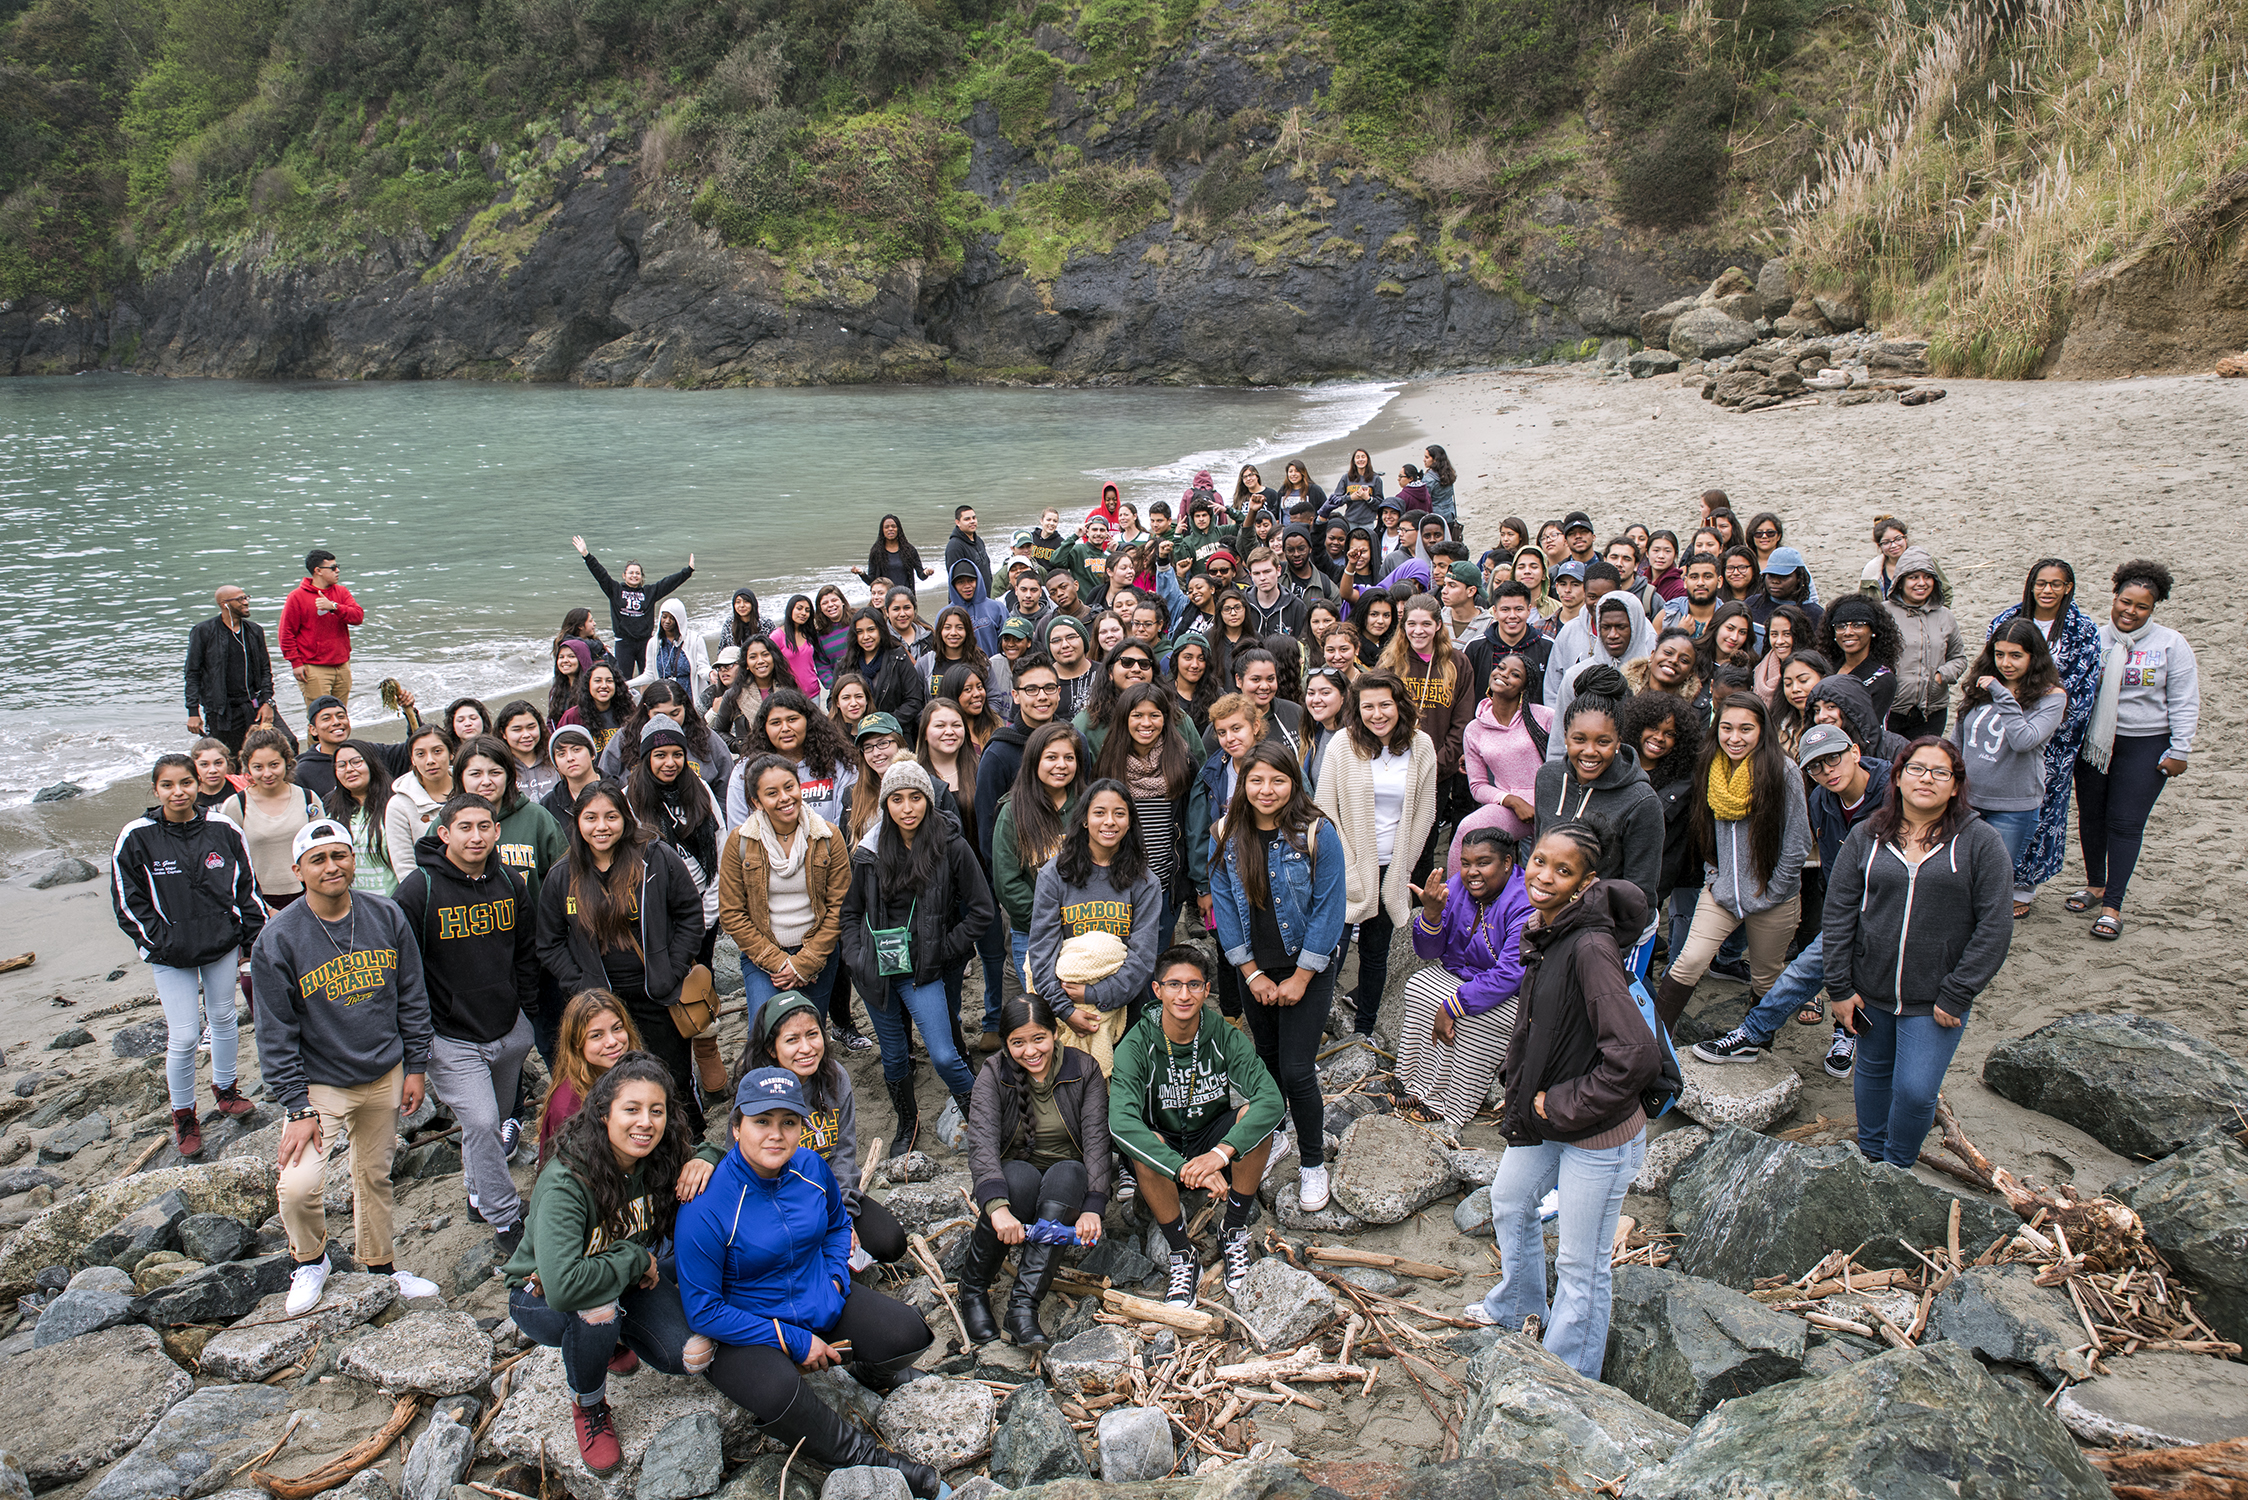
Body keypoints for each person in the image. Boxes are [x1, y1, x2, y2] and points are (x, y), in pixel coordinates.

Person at [675, 1070, 942, 1499]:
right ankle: (869, 1457)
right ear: (737, 1126)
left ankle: (863, 1371)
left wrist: (836, 1278)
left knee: (908, 1333)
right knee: (778, 1390)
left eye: (788, 1122)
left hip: (818, 1300)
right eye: (762, 1121)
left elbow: (838, 1225)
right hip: (747, 1327)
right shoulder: (706, 1204)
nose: (776, 1135)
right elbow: (703, 1309)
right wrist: (793, 1342)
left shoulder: (810, 1166)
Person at [1462, 823, 1655, 1378]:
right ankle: (1517, 1307)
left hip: (1599, 1132)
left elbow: (1634, 1056)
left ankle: (1569, 1376)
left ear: (1585, 882)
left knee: (1581, 1260)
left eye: (1562, 871)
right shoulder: (1542, 926)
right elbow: (1540, 1023)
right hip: (1547, 1112)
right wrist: (1520, 1087)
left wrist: (1560, 1103)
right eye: (1540, 861)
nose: (1544, 876)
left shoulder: (1591, 946)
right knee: (1509, 1200)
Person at [251, 819, 444, 1313]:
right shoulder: (278, 939)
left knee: (374, 1176)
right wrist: (296, 1107)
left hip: (386, 1073)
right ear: (298, 871)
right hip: (321, 1085)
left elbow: (412, 997)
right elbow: (275, 1033)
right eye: (318, 860)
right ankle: (310, 1261)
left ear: (354, 860)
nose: (332, 867)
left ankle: (380, 1267)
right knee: (298, 1186)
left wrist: (416, 1066)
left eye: (340, 855)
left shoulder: (386, 916)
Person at [504, 1054, 717, 1473]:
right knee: (596, 1310)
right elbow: (563, 1285)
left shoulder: (655, 1155)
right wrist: (636, 1257)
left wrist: (704, 1158)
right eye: (631, 1110)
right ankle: (589, 1405)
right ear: (604, 1114)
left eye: (657, 1111)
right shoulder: (569, 1179)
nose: (646, 1122)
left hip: (621, 1282)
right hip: (542, 1296)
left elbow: (715, 1148)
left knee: (693, 1355)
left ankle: (614, 1338)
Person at [1826, 738, 2013, 1166]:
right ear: (1897, 776)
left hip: (1937, 1000)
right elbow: (1837, 914)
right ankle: (1871, 1159)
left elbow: (1996, 925)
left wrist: (1959, 990)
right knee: (1872, 1075)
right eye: (1916, 768)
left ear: (1955, 786)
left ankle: (1898, 1166)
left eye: (1939, 772)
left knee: (1914, 1089)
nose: (1926, 778)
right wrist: (1838, 986)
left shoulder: (1980, 842)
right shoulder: (1866, 836)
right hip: (1869, 988)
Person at [394, 793, 539, 1250]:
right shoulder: (420, 889)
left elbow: (525, 952)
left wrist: (526, 1014)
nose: (475, 836)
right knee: (479, 1122)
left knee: (492, 1124)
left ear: (497, 832)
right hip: (449, 1034)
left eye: (484, 827)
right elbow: (402, 967)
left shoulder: (511, 882)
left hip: (507, 1029)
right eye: (465, 827)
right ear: (444, 834)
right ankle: (504, 1219)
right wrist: (416, 1043)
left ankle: (477, 1193)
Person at [1109, 945, 1286, 1303]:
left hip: (1208, 1134)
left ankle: (1233, 1228)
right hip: (1163, 1145)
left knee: (1257, 1120)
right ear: (1157, 990)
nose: (1184, 994)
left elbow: (1271, 1100)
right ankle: (1182, 1253)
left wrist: (1219, 1156)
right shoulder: (1136, 1043)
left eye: (1194, 985)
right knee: (1147, 1142)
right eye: (1174, 985)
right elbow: (1121, 1122)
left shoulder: (1223, 1035)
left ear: (1207, 990)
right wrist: (1189, 1169)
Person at [1213, 743, 1349, 1209]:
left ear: (1294, 781)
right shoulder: (1227, 833)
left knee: (1296, 1070)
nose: (1266, 790)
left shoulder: (1316, 832)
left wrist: (1302, 977)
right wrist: (1251, 975)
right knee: (1265, 1065)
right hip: (1256, 969)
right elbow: (1226, 908)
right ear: (1242, 785)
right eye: (1255, 780)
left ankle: (1313, 1163)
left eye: (1277, 780)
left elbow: (1331, 908)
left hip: (1306, 966)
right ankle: (1274, 1141)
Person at [113, 755, 265, 1157]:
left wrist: (253, 937)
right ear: (155, 789)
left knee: (224, 1017)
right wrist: (160, 942)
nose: (178, 792)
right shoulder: (136, 836)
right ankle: (184, 1116)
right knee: (182, 1036)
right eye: (168, 785)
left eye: (186, 783)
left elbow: (246, 888)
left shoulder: (223, 828)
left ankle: (227, 1089)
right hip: (169, 953)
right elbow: (129, 902)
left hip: (220, 943)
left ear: (199, 784)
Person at [840, 759, 993, 1154]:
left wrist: (942, 950)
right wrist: (856, 957)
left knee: (943, 1054)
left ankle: (982, 1119)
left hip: (923, 971)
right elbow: (850, 912)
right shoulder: (870, 850)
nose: (907, 807)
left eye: (915, 797)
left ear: (928, 798)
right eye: (896, 799)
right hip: (877, 968)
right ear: (885, 803)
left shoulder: (950, 844)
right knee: (893, 1058)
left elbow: (982, 910)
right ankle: (907, 1124)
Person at [537, 783, 709, 1131]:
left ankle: (688, 1148)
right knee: (616, 1087)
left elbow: (691, 915)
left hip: (658, 995)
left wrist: (672, 968)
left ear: (625, 818)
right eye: (591, 818)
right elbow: (549, 942)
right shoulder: (562, 876)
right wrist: (581, 985)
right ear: (577, 823)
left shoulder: (655, 857)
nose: (601, 827)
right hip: (602, 1003)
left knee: (672, 1082)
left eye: (611, 817)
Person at [1650, 692, 1808, 1030]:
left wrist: (1773, 891)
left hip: (1772, 897)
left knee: (1765, 978)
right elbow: (1705, 830)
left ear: (1762, 730)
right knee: (1688, 961)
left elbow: (1798, 844)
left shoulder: (1784, 771)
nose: (1734, 738)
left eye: (1745, 729)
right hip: (1721, 891)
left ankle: (1757, 1042)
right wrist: (1714, 874)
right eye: (1727, 728)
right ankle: (1654, 1043)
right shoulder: (1712, 767)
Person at [2072, 559, 2198, 940]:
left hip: (2145, 744)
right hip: (2095, 743)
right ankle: (2095, 885)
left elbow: (2184, 700)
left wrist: (2180, 749)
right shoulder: (2094, 637)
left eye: (2142, 606)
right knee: (2091, 816)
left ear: (2153, 608)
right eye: (2125, 602)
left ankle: (2113, 905)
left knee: (2125, 823)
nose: (2130, 611)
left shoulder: (2170, 644)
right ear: (2115, 597)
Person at [735, 990, 907, 1265]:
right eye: (792, 1040)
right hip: (781, 1203)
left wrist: (843, 1217)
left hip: (831, 1193)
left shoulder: (835, 1077)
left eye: (813, 1035)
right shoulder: (757, 1092)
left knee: (891, 1242)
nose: (806, 1048)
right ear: (771, 1048)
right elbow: (749, 1171)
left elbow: (844, 1152)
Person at [1316, 672, 1437, 1038]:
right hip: (1344, 865)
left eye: (1385, 704)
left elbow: (1425, 812)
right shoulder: (1342, 744)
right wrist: (1349, 863)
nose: (1377, 714)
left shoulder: (1422, 745)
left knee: (1374, 952)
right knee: (1329, 950)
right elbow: (1324, 807)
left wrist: (1401, 867)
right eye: (1367, 706)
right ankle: (1316, 1023)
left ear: (1399, 704)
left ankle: (1364, 1028)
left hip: (1393, 866)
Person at [722, 753, 860, 1068]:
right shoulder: (740, 843)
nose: (785, 798)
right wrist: (781, 962)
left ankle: (811, 1108)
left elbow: (840, 905)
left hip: (818, 954)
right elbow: (732, 913)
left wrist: (805, 962)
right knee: (765, 1041)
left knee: (808, 1040)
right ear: (756, 801)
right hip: (764, 958)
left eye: (789, 787)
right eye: (772, 793)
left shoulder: (826, 836)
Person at [1985, 559, 2104, 913]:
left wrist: (2047, 726)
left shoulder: (2082, 630)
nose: (2047, 590)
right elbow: (1992, 668)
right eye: (2041, 583)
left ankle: (2024, 884)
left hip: (2055, 738)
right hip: (2004, 729)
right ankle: (1989, 879)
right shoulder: (2007, 621)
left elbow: (2083, 690)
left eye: (2056, 584)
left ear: (2068, 587)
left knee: (2043, 809)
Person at [1024, 777, 1164, 1070]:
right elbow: (1041, 951)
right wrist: (1065, 1011)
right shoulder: (1055, 874)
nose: (1109, 822)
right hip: (1062, 1006)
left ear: (1130, 823)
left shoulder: (1145, 882)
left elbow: (1142, 958)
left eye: (1119, 813)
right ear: (1085, 819)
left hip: (1125, 1006)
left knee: (1125, 1087)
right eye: (1099, 812)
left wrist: (1095, 995)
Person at [1397, 828, 1531, 1130]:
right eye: (1466, 862)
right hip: (1462, 975)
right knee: (1418, 987)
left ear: (1507, 862)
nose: (1472, 872)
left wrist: (1454, 1005)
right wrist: (1431, 915)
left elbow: (1512, 972)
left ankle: (1453, 1102)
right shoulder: (1457, 886)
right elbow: (1429, 951)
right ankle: (1415, 1084)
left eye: (1483, 863)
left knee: (1473, 1018)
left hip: (1510, 991)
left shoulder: (1524, 901)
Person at [625, 717, 729, 1100]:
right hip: (655, 916)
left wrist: (707, 913)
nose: (669, 762)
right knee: (663, 993)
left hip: (703, 908)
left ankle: (707, 1054)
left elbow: (720, 844)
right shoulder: (629, 800)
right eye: (659, 754)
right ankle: (671, 1072)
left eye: (676, 754)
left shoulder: (697, 789)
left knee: (701, 983)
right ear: (645, 757)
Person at [1530, 667, 1663, 940]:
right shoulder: (1548, 778)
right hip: (1552, 920)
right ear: (1565, 736)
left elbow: (1640, 895)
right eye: (1579, 739)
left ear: (1619, 741)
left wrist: (1608, 949)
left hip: (1609, 932)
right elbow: (1537, 850)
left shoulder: (1642, 801)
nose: (1589, 751)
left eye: (1603, 741)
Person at [1953, 621, 2067, 919]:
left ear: (2034, 657)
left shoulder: (2051, 697)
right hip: (1967, 800)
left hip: (2012, 807)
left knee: (1993, 880)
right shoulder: (1981, 685)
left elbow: (2023, 740)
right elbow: (1958, 741)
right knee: (1958, 873)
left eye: (2016, 655)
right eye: (2000, 654)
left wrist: (2002, 694)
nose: (2006, 663)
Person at [1090, 682, 1208, 962]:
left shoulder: (1182, 762)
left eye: (1154, 715)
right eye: (1137, 715)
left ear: (1166, 718)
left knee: (1154, 957)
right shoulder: (1107, 763)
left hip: (1165, 883)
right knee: (1119, 958)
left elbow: (1195, 827)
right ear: (1124, 718)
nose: (1147, 723)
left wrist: (1199, 885)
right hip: (1117, 884)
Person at [1380, 594, 1471, 866]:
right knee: (1391, 842)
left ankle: (1420, 906)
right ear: (1403, 626)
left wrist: (1437, 765)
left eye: (1425, 624)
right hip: (1393, 768)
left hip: (1438, 773)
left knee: (1425, 844)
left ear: (1438, 626)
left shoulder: (1458, 663)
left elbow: (1463, 722)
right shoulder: (1390, 662)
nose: (1418, 631)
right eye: (1411, 624)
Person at [1616, 691, 1705, 964]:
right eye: (1653, 727)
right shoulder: (1618, 764)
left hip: (1657, 874)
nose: (1659, 738)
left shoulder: (1684, 779)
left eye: (1670, 734)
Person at [1450, 653, 1551, 869]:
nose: (1503, 674)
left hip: (1551, 806)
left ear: (1524, 687)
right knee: (1467, 828)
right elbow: (1477, 786)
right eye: (1501, 667)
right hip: (1511, 809)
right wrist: (1512, 800)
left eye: (1514, 674)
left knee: (1541, 867)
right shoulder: (1474, 729)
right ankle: (1452, 899)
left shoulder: (1545, 717)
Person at [219, 728, 327, 912]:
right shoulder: (235, 805)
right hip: (258, 901)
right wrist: (264, 908)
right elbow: (228, 862)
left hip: (310, 895)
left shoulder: (308, 798)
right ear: (248, 768)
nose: (267, 773)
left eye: (274, 764)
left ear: (287, 762)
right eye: (258, 767)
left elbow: (324, 848)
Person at [537, 988, 647, 1160]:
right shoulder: (568, 1108)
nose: (612, 1042)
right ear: (576, 1044)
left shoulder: (641, 1074)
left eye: (617, 1028)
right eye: (596, 1035)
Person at [725, 689, 858, 832]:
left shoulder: (838, 763)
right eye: (776, 723)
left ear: (809, 721)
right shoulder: (746, 771)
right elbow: (739, 832)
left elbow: (844, 826)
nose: (785, 728)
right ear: (765, 729)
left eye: (792, 719)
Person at [573, 537, 694, 679]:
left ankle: (646, 701)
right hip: (624, 643)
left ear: (642, 577)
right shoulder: (615, 590)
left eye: (637, 573)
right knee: (623, 679)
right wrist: (586, 555)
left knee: (650, 676)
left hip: (645, 642)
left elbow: (668, 583)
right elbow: (600, 574)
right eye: (631, 572)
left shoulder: (649, 592)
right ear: (624, 575)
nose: (634, 575)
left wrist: (688, 571)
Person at [1882, 548, 1965, 740]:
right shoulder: (1883, 613)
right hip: (1890, 709)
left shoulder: (1945, 616)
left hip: (1931, 711)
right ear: (1900, 582)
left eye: (1928, 577)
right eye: (1913, 577)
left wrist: (1941, 676)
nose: (1921, 583)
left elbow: (1959, 658)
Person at [186, 584, 276, 756]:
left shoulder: (254, 631)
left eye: (246, 597)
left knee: (286, 743)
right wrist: (193, 711)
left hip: (253, 704)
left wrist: (267, 702)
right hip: (221, 710)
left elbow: (266, 670)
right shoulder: (203, 631)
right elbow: (192, 673)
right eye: (240, 599)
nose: (246, 602)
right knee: (227, 755)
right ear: (224, 604)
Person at [280, 549, 363, 709]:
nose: (337, 570)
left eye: (337, 566)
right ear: (317, 571)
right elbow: (286, 633)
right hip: (314, 668)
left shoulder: (341, 591)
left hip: (342, 665)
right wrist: (295, 663)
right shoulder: (296, 597)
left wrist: (334, 607)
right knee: (321, 717)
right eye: (332, 568)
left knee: (340, 714)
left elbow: (357, 617)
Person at [324, 741, 400, 897]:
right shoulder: (331, 808)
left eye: (356, 762)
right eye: (341, 765)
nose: (349, 769)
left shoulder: (395, 804)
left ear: (371, 764)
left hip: (394, 902)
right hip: (353, 905)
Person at [383, 726, 456, 885]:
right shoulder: (399, 805)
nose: (430, 760)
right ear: (412, 760)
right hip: (431, 893)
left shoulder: (470, 789)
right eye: (420, 754)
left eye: (437, 751)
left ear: (451, 753)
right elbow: (405, 866)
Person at [1817, 595, 1902, 722]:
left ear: (1872, 630)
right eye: (1840, 626)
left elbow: (1869, 728)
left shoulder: (1882, 679)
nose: (1848, 632)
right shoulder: (1825, 668)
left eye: (1857, 625)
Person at [560, 659, 636, 753]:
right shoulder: (572, 717)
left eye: (609, 681)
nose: (604, 685)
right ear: (588, 685)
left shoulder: (629, 711)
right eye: (598, 681)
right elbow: (561, 750)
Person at [856, 515, 932, 604]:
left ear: (898, 529)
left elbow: (921, 576)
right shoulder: (876, 551)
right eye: (886, 527)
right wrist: (861, 573)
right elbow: (871, 581)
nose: (890, 529)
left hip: (906, 598)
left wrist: (926, 572)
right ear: (882, 531)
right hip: (885, 602)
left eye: (893, 526)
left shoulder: (909, 550)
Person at [496, 700, 561, 805]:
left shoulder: (555, 759)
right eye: (517, 729)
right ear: (503, 733)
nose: (526, 734)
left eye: (531, 727)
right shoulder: (498, 766)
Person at [645, 599, 709, 703]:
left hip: (688, 697)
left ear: (679, 620)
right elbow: (649, 674)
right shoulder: (654, 643)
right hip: (664, 698)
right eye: (664, 616)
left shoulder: (695, 639)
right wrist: (627, 684)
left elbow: (702, 668)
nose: (667, 621)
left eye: (672, 618)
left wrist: (711, 674)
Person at [543, 724, 605, 825]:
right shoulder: (549, 804)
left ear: (592, 754)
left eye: (576, 750)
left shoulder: (619, 789)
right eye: (561, 754)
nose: (570, 758)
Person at [946, 503, 993, 597]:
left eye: (974, 518)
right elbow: (955, 578)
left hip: (985, 596)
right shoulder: (954, 546)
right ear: (957, 522)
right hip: (967, 600)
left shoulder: (979, 541)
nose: (972, 521)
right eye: (967, 519)